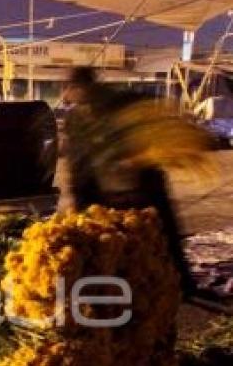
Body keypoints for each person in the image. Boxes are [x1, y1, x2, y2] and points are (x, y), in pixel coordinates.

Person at [61, 66, 197, 295]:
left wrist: (138, 157)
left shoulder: (123, 103)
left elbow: (150, 125)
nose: (71, 94)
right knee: (112, 246)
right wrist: (77, 198)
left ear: (88, 86)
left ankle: (183, 285)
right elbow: (76, 162)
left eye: (75, 88)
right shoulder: (76, 118)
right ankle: (126, 290)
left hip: (142, 188)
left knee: (164, 238)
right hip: (105, 195)